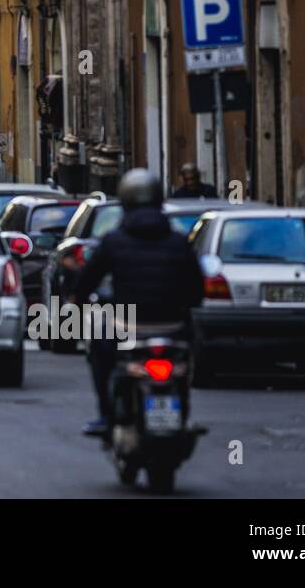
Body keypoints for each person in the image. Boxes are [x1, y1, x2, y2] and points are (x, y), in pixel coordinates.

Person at [71, 169, 205, 436]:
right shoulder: (179, 242)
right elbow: (197, 288)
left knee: (99, 353)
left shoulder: (114, 241)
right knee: (186, 359)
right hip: (172, 326)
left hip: (128, 326)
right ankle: (184, 412)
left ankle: (107, 416)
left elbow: (87, 280)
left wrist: (77, 300)